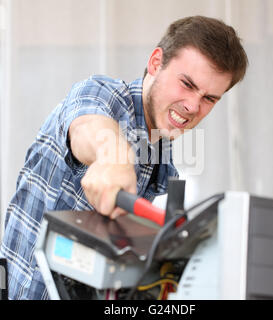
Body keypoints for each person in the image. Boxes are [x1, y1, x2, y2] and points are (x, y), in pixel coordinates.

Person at [0, 15, 248, 300]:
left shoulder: (161, 153)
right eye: (187, 84)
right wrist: (112, 157)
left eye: (209, 99)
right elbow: (88, 124)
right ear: (156, 62)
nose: (193, 106)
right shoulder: (103, 95)